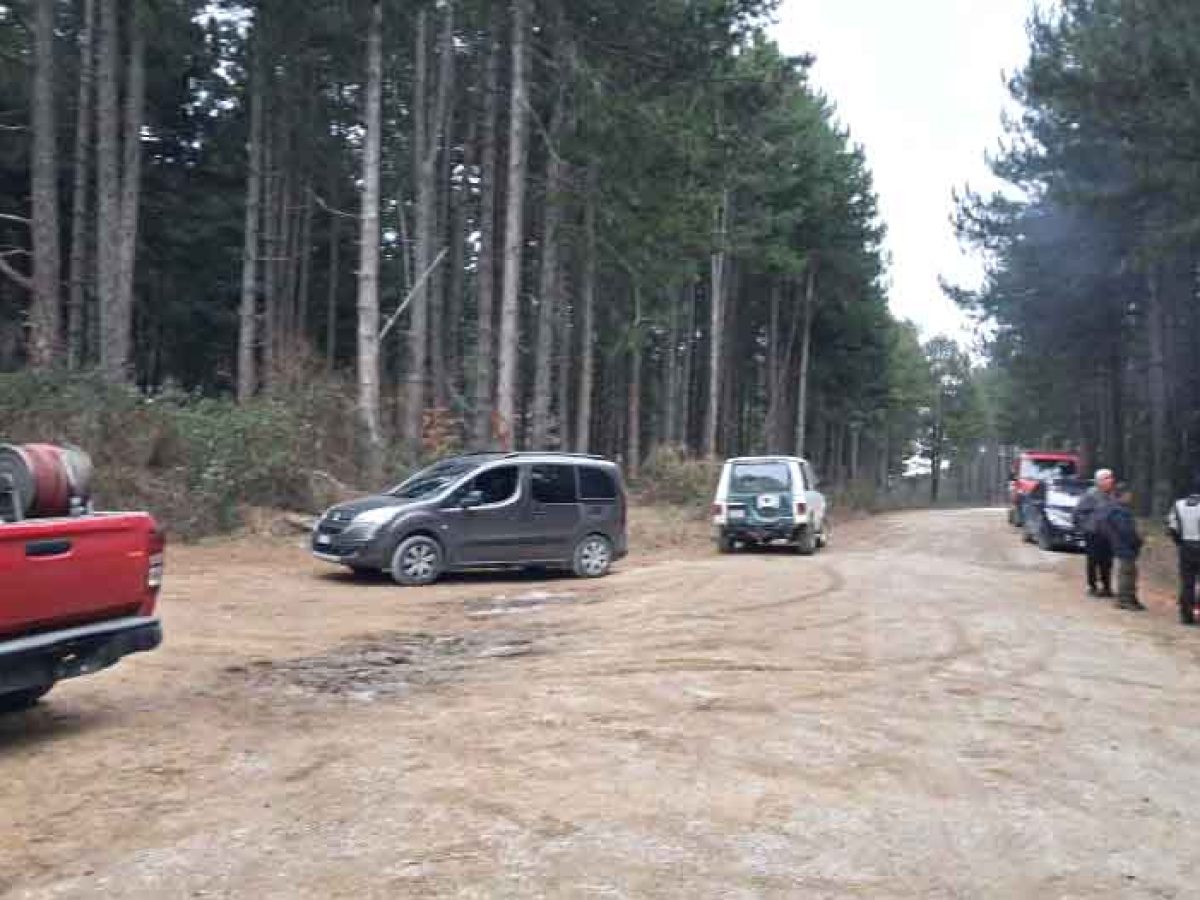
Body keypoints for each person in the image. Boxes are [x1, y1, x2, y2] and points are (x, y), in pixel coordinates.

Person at [1102, 483, 1145, 611]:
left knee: (1131, 572)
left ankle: (1130, 597)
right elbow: (1125, 531)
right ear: (1122, 495)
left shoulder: (1120, 509)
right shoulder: (1119, 511)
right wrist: (1137, 541)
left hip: (1124, 545)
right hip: (1125, 546)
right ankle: (1124, 600)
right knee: (1126, 573)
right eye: (1128, 494)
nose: (1130, 496)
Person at [1074, 468, 1115, 598]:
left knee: (1107, 561)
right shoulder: (1090, 495)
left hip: (1108, 534)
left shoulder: (1112, 495)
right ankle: (1092, 586)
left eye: (1111, 477)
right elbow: (1078, 512)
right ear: (1099, 481)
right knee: (1093, 560)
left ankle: (1106, 587)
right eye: (1107, 478)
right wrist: (1087, 526)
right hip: (1093, 533)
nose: (1111, 480)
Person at [1166, 474, 1200, 625]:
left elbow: (1172, 527)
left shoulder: (1178, 504)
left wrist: (1179, 542)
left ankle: (1186, 615)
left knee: (1187, 582)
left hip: (1186, 546)